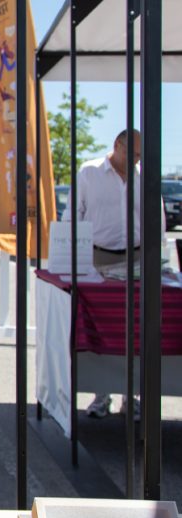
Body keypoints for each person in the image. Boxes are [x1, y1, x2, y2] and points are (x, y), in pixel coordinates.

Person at [63, 129, 164, 419]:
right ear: (116, 145)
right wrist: (72, 258)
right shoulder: (89, 173)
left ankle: (130, 397)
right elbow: (73, 215)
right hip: (96, 259)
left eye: (140, 155)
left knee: (132, 330)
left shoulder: (146, 176)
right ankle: (100, 395)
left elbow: (155, 220)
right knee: (99, 329)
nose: (136, 159)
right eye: (132, 153)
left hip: (136, 259)